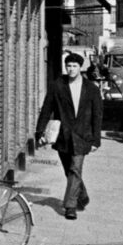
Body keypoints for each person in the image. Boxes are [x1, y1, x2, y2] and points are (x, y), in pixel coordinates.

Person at [35, 52, 103, 220]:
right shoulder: (57, 85)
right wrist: (39, 131)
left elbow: (97, 115)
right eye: (68, 66)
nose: (71, 69)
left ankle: (70, 206)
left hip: (82, 136)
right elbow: (46, 108)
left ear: (81, 68)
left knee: (75, 168)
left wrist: (96, 140)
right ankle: (83, 196)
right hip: (63, 136)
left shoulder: (91, 89)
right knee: (69, 170)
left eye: (74, 66)